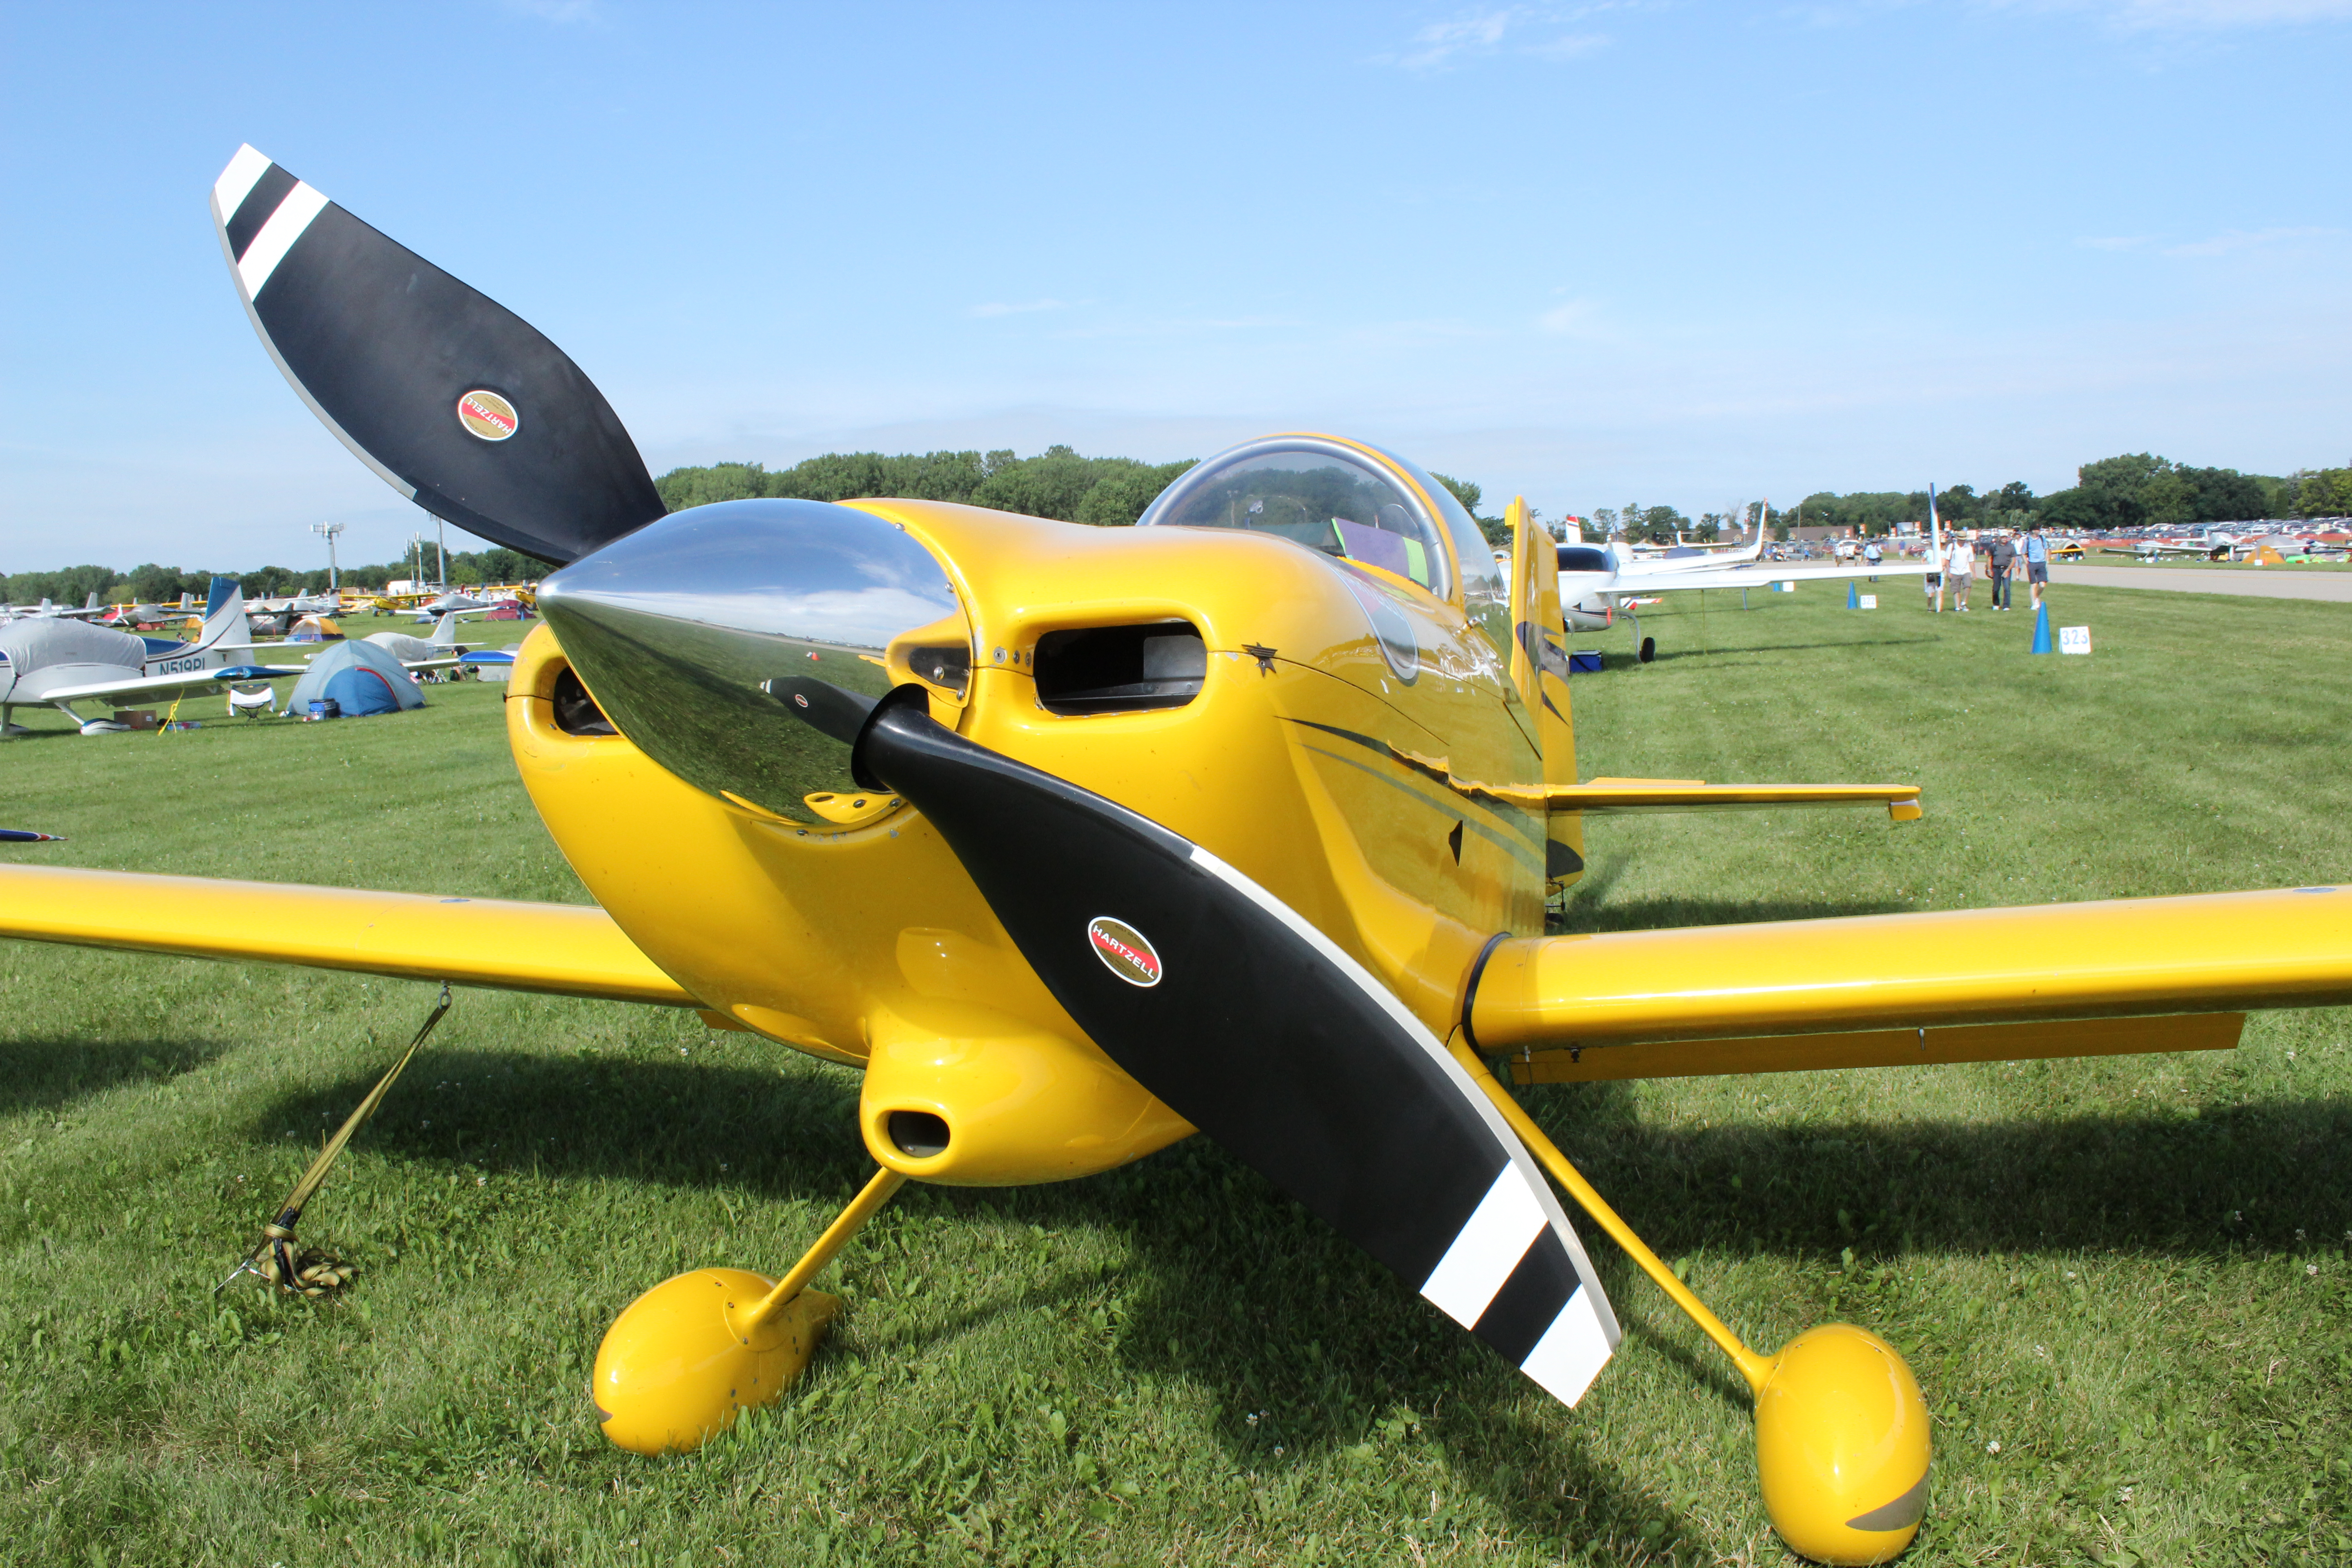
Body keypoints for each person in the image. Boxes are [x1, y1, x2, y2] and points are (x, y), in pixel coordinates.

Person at [1986, 530, 2016, 610]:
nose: (2004, 539)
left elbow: (2013, 560)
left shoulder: (2011, 547)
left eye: (2006, 537)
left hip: (2006, 568)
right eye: (2003, 537)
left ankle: (2006, 605)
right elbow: (1990, 558)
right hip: (1996, 569)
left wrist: (2008, 570)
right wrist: (1989, 569)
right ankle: (1996, 604)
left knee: (2007, 588)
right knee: (1996, 588)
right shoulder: (1994, 546)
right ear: (1999, 537)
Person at [2022, 524, 2051, 608]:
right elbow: (2023, 553)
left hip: (2042, 563)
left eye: (2039, 529)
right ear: (2032, 531)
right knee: (2034, 584)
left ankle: (2036, 597)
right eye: (2036, 529)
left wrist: (2046, 560)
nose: (2038, 531)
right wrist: (2027, 563)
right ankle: (2034, 604)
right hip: (2032, 563)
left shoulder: (2042, 539)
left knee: (2043, 585)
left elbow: (2046, 549)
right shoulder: (2027, 540)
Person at [1946, 533, 1973, 611]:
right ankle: (1958, 606)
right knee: (1956, 589)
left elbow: (1971, 560)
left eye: (1964, 539)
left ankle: (1964, 603)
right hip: (1954, 570)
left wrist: (1974, 572)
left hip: (1966, 570)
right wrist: (1948, 572)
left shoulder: (1969, 547)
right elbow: (1947, 560)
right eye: (1961, 539)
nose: (1963, 541)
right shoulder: (1952, 547)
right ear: (1957, 539)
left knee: (1968, 586)